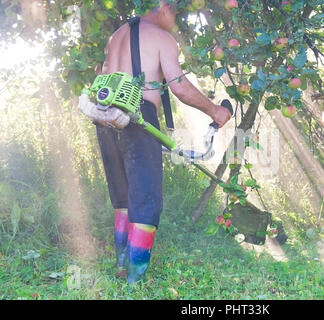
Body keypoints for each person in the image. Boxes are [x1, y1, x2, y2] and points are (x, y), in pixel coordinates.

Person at [97, 0, 231, 283]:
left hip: (106, 117)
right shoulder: (161, 37)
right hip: (138, 117)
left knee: (123, 200)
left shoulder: (117, 34)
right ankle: (134, 281)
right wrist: (215, 111)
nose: (176, 21)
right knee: (146, 202)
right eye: (175, 14)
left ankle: (121, 268)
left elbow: (102, 77)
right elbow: (179, 86)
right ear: (164, 7)